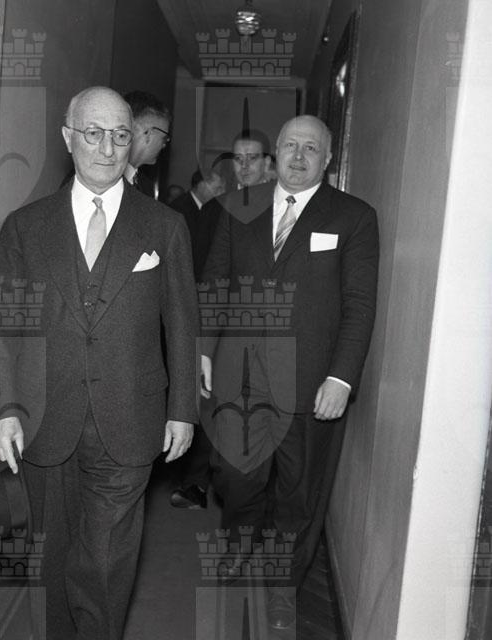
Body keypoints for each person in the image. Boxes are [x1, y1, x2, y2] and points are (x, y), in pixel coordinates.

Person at [0, 86, 198, 640]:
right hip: (43, 420)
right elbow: (4, 326)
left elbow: (181, 321)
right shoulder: (25, 227)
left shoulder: (164, 227)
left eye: (121, 135)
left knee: (103, 565)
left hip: (129, 416)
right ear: (68, 137)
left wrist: (183, 409)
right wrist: (3, 409)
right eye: (94, 133)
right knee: (51, 563)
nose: (108, 148)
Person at [200, 115, 379, 631]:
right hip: (240, 376)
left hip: (311, 382)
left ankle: (282, 588)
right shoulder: (239, 206)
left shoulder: (354, 217)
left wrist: (341, 378)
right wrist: (204, 350)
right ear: (276, 153)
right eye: (291, 146)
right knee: (236, 476)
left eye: (312, 149)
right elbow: (214, 283)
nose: (299, 157)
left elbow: (359, 304)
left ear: (328, 158)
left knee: (299, 495)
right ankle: (239, 541)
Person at [169, 130, 274, 510]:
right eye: (238, 159)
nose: (244, 166)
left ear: (268, 163)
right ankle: (199, 482)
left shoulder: (283, 208)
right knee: (211, 404)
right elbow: (200, 266)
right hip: (219, 327)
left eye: (252, 158)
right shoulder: (218, 208)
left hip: (269, 331)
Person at [169, 168, 226, 281]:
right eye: (218, 188)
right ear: (201, 185)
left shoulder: (211, 210)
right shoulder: (179, 210)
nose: (222, 193)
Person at [123, 90, 171, 197]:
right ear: (149, 133)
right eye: (164, 138)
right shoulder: (105, 177)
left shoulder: (146, 187)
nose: (164, 145)